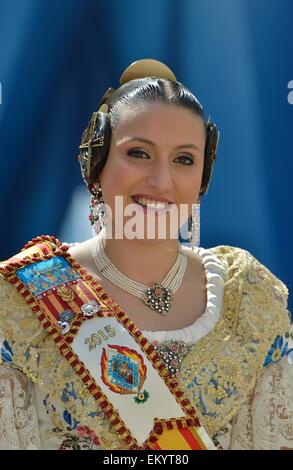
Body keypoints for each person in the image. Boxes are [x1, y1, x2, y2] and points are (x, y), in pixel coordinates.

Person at [0, 59, 292, 451]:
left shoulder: (247, 297)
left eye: (184, 159)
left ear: (203, 177)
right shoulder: (20, 300)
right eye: (139, 153)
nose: (161, 180)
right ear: (96, 162)